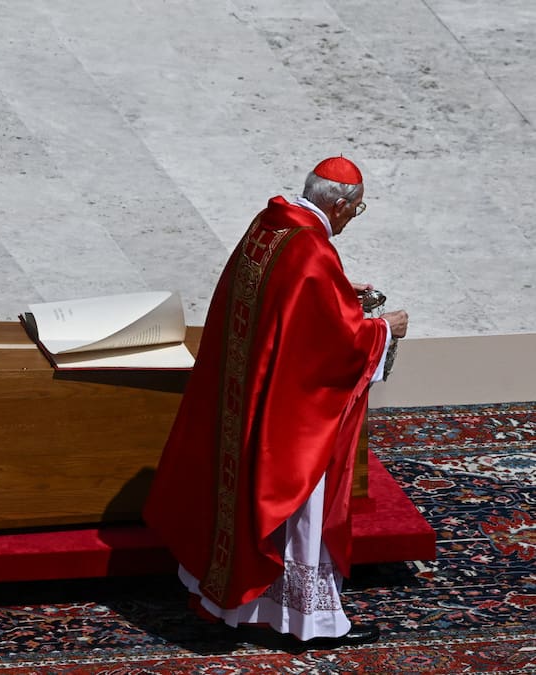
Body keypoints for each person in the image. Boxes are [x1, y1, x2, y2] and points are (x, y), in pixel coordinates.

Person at [143, 156, 408, 648]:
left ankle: (229, 601)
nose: (353, 217)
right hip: (289, 412)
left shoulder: (272, 223)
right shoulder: (312, 248)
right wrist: (383, 329)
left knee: (235, 496)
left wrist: (336, 290)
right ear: (340, 203)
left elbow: (284, 294)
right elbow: (333, 346)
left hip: (242, 396)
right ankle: (305, 622)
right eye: (357, 209)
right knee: (297, 501)